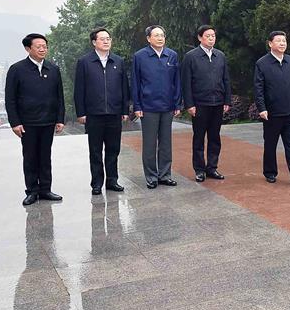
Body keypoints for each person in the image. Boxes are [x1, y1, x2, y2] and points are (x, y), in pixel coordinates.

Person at [5, 33, 65, 206]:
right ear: (27, 48)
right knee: (30, 157)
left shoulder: (53, 68)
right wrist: (15, 122)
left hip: (48, 121)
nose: (42, 49)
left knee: (46, 156)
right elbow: (11, 99)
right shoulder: (17, 69)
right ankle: (32, 190)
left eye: (44, 46)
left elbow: (59, 96)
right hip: (28, 123)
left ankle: (45, 189)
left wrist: (59, 118)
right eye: (38, 46)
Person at [74, 28, 129, 195]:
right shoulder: (84, 62)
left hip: (114, 113)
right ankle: (96, 183)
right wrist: (81, 112)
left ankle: (112, 180)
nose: (106, 41)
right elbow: (79, 89)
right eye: (102, 39)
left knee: (113, 149)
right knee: (95, 151)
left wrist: (125, 110)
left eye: (108, 39)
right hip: (94, 114)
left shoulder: (118, 61)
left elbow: (124, 88)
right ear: (94, 42)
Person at [253, 31, 290, 185]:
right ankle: (270, 172)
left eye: (284, 41)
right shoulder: (262, 63)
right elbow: (258, 89)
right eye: (278, 41)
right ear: (270, 43)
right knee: (270, 144)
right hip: (272, 113)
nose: (282, 43)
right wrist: (262, 108)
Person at [132, 25, 181, 189]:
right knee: (150, 143)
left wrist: (177, 103)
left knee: (166, 143)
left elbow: (177, 81)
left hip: (168, 106)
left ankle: (165, 175)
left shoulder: (172, 55)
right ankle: (151, 176)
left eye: (162, 35)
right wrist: (137, 105)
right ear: (148, 38)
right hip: (148, 106)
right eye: (156, 35)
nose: (160, 38)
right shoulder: (140, 56)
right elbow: (136, 82)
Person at [181, 25, 232, 182]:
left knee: (215, 137)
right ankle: (199, 169)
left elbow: (226, 80)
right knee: (199, 137)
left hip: (217, 103)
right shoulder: (191, 56)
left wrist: (227, 100)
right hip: (200, 104)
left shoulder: (220, 56)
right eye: (208, 36)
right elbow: (186, 82)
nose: (211, 38)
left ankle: (212, 167)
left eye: (213, 36)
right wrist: (189, 104)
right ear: (200, 37)